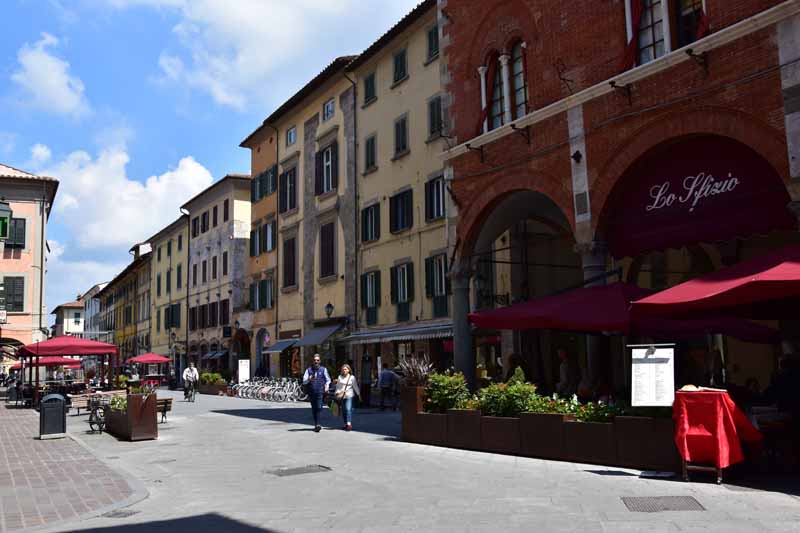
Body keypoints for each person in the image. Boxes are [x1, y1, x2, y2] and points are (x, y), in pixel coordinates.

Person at [302, 353, 331, 432]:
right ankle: (316, 424)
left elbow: (328, 380)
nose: (316, 362)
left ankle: (318, 424)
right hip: (311, 392)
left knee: (319, 407)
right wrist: (309, 379)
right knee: (314, 408)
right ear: (313, 361)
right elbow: (304, 381)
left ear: (320, 361)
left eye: (317, 360)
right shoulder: (308, 370)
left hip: (320, 391)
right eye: (315, 360)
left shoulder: (323, 369)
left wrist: (327, 386)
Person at [333, 364, 361, 431]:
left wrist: (359, 394)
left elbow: (355, 386)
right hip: (342, 396)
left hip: (349, 395)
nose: (344, 370)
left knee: (348, 409)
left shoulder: (352, 377)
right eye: (343, 369)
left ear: (348, 370)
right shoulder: (340, 377)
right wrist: (336, 393)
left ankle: (349, 424)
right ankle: (345, 424)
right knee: (344, 411)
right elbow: (338, 387)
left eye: (345, 369)